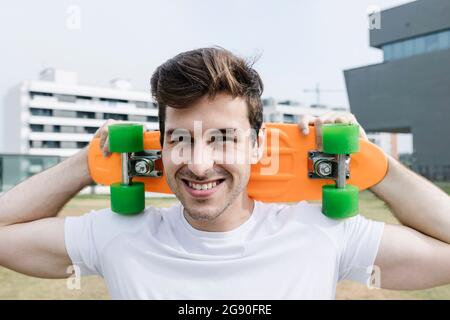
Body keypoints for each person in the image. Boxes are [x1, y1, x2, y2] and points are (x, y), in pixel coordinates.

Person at [0, 48, 449, 299]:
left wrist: (375, 165)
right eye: (180, 139)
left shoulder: (322, 231)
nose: (198, 163)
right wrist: (88, 162)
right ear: (161, 145)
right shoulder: (119, 234)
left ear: (256, 146)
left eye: (222, 138)